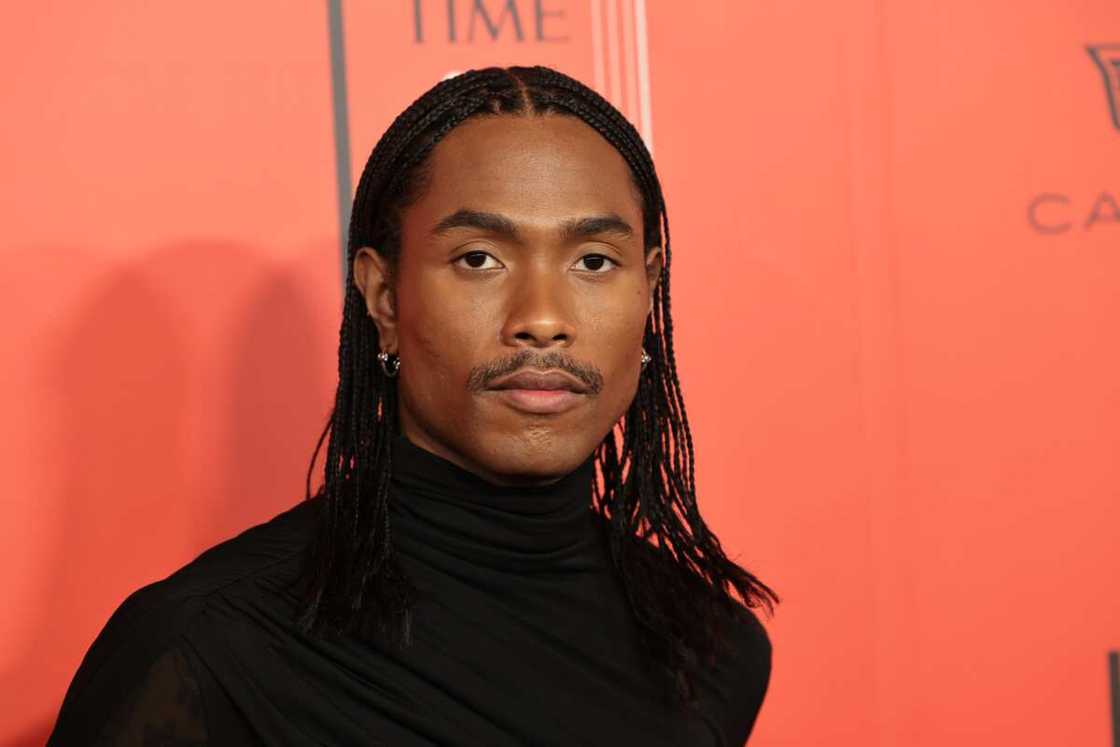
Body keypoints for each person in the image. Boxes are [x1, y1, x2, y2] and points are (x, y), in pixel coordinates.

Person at [47, 65, 780, 746]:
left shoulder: (712, 652)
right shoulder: (204, 652)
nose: (543, 316)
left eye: (593, 261)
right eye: (478, 258)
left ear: (650, 291)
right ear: (385, 296)